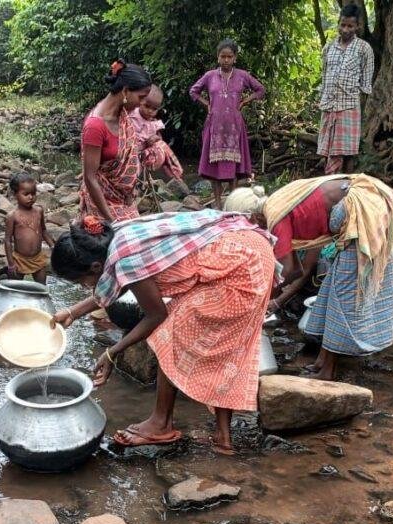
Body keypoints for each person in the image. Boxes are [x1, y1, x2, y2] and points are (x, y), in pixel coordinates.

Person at [50, 211, 276, 455]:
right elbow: (114, 284)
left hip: (242, 269)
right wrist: (73, 313)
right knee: (221, 350)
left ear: (95, 266)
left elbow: (156, 315)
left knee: (168, 335)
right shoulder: (112, 239)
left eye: (80, 280)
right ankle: (223, 439)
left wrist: (112, 352)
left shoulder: (126, 259)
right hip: (244, 250)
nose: (83, 285)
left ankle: (161, 424)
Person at [224, 174, 393, 381]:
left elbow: (288, 270)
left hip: (364, 211)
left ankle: (328, 371)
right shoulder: (276, 204)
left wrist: (262, 301)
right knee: (329, 292)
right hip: (370, 198)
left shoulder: (275, 218)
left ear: (252, 218)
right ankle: (321, 360)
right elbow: (298, 270)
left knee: (342, 302)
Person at [190, 39, 266, 209]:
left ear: (235, 58)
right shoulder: (210, 76)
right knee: (215, 168)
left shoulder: (242, 76)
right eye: (223, 56)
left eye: (229, 56)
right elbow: (193, 91)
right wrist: (207, 104)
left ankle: (232, 204)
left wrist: (245, 101)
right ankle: (217, 204)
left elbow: (260, 89)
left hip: (234, 126)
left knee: (234, 168)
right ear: (218, 57)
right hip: (215, 125)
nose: (226, 60)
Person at [80, 60, 152, 222]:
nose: (142, 104)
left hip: (125, 200)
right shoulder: (95, 126)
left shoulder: (122, 116)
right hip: (103, 206)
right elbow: (89, 177)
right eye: (141, 97)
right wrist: (112, 221)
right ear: (125, 91)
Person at [317, 3, 375, 175]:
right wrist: (322, 99)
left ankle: (347, 187)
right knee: (329, 151)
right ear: (338, 24)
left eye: (350, 26)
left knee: (348, 152)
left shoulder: (364, 49)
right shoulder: (328, 48)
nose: (346, 29)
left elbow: (366, 84)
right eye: (343, 25)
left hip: (349, 107)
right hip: (329, 106)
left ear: (357, 26)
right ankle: (330, 188)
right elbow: (324, 75)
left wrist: (359, 108)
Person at [129, 85, 187, 192]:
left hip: (145, 153)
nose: (150, 111)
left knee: (162, 146)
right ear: (140, 101)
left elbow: (159, 137)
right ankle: (132, 189)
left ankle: (175, 173)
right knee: (131, 175)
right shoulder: (132, 114)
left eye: (154, 109)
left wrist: (154, 139)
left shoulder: (154, 122)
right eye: (147, 106)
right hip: (129, 152)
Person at [5, 172, 55, 283]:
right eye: (26, 194)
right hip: (19, 259)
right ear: (14, 194)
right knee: (14, 289)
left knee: (41, 288)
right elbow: (8, 240)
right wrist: (11, 263)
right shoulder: (12, 216)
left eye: (33, 193)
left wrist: (52, 245)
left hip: (37, 258)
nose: (31, 197)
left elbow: (44, 231)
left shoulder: (39, 211)